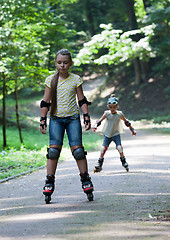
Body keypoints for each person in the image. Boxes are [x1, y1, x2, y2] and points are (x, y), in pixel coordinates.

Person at [40, 49, 94, 203]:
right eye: (59, 63)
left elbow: (82, 100)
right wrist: (43, 120)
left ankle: (85, 179)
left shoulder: (76, 79)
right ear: (55, 63)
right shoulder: (51, 80)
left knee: (78, 151)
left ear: (70, 63)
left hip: (72, 119)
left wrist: (86, 116)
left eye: (65, 62)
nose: (62, 65)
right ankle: (49, 181)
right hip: (56, 119)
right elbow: (45, 101)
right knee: (53, 152)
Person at [92, 94, 136, 173]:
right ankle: (99, 164)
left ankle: (124, 162)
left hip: (115, 134)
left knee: (119, 147)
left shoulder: (119, 114)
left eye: (114, 107)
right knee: (103, 149)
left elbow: (127, 122)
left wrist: (132, 130)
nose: (112, 109)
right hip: (107, 134)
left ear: (117, 107)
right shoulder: (106, 113)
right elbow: (99, 121)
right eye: (111, 107)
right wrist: (95, 126)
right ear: (108, 107)